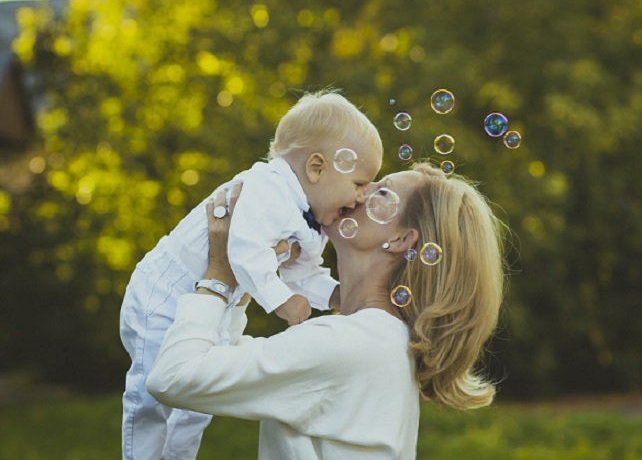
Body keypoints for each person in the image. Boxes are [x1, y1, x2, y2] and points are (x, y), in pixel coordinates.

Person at [146, 162, 507, 459]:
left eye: (381, 192)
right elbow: (219, 361)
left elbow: (175, 377)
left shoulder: (351, 344)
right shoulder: (376, 339)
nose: (361, 192)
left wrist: (220, 275)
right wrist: (245, 280)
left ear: (400, 240)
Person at [120, 90, 383, 459]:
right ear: (317, 167)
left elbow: (303, 274)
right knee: (151, 392)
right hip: (165, 290)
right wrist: (281, 301)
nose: (360, 197)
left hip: (217, 303)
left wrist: (337, 295)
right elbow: (243, 248)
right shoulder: (268, 188)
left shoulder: (314, 222)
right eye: (358, 183)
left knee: (197, 398)